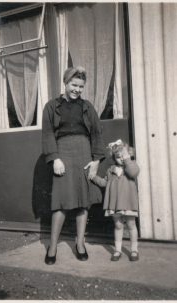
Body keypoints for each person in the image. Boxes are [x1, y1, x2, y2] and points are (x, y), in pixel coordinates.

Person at [42, 66, 105, 265]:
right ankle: (52, 246)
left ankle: (80, 244)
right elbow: (47, 133)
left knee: (82, 201)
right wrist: (55, 158)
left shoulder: (87, 107)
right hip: (63, 153)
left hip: (84, 153)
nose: (77, 89)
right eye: (73, 85)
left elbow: (96, 134)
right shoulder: (52, 106)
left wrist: (95, 161)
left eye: (80, 86)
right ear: (65, 83)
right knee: (61, 202)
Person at [92, 139, 140, 261]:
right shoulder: (111, 169)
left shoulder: (131, 166)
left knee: (131, 225)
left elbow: (134, 173)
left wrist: (127, 159)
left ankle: (134, 250)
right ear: (114, 157)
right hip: (115, 204)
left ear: (129, 154)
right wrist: (94, 178)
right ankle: (118, 250)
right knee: (118, 226)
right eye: (118, 157)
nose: (121, 159)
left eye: (123, 156)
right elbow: (104, 183)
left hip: (128, 203)